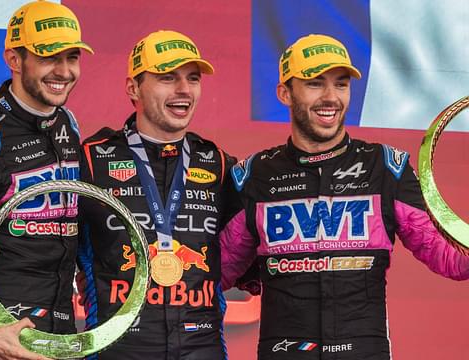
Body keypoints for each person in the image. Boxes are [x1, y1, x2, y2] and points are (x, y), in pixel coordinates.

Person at [220, 34, 469, 360]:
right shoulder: (254, 175)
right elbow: (216, 269)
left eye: (340, 84)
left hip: (364, 351)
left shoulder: (386, 168)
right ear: (285, 93)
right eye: (314, 84)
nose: (331, 97)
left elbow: (447, 257)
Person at [78, 30, 240, 360]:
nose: (183, 89)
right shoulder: (92, 161)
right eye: (167, 77)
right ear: (133, 88)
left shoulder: (219, 164)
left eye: (192, 78)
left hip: (201, 349)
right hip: (118, 350)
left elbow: (248, 248)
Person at [0, 1, 92, 358]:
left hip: (60, 328)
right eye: (49, 58)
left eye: (72, 57)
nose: (64, 71)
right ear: (14, 60)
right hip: (3, 333)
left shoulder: (67, 124)